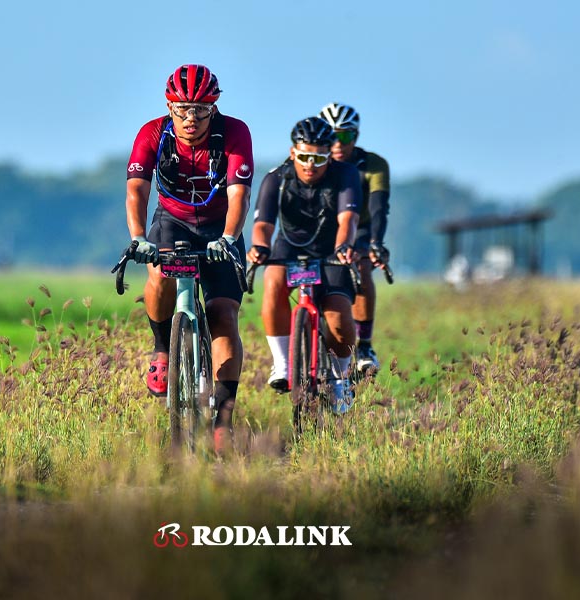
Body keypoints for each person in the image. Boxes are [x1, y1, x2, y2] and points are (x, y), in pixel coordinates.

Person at [125, 64, 254, 452]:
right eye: (181, 109)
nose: (191, 118)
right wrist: (136, 238)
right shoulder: (152, 132)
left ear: (213, 108)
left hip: (219, 227)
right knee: (159, 275)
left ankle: (223, 422)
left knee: (222, 315)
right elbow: (136, 190)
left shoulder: (234, 132)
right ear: (169, 106)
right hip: (172, 221)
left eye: (200, 109)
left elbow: (239, 196)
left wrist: (230, 237)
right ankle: (163, 349)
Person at [247, 116, 361, 414]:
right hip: (290, 247)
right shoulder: (276, 178)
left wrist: (344, 247)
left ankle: (340, 378)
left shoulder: (346, 175)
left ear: (329, 155)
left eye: (319, 157)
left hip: (331, 249)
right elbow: (263, 225)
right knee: (272, 281)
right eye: (304, 156)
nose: (311, 164)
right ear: (292, 152)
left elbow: (347, 220)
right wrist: (259, 247)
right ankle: (283, 362)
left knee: (337, 316)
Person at [319, 102, 391, 376]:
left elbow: (378, 208)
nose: (337, 142)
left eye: (345, 135)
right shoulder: (312, 162)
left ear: (356, 136)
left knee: (360, 269)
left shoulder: (373, 165)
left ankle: (365, 345)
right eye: (331, 134)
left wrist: (376, 244)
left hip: (360, 231)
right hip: (322, 230)